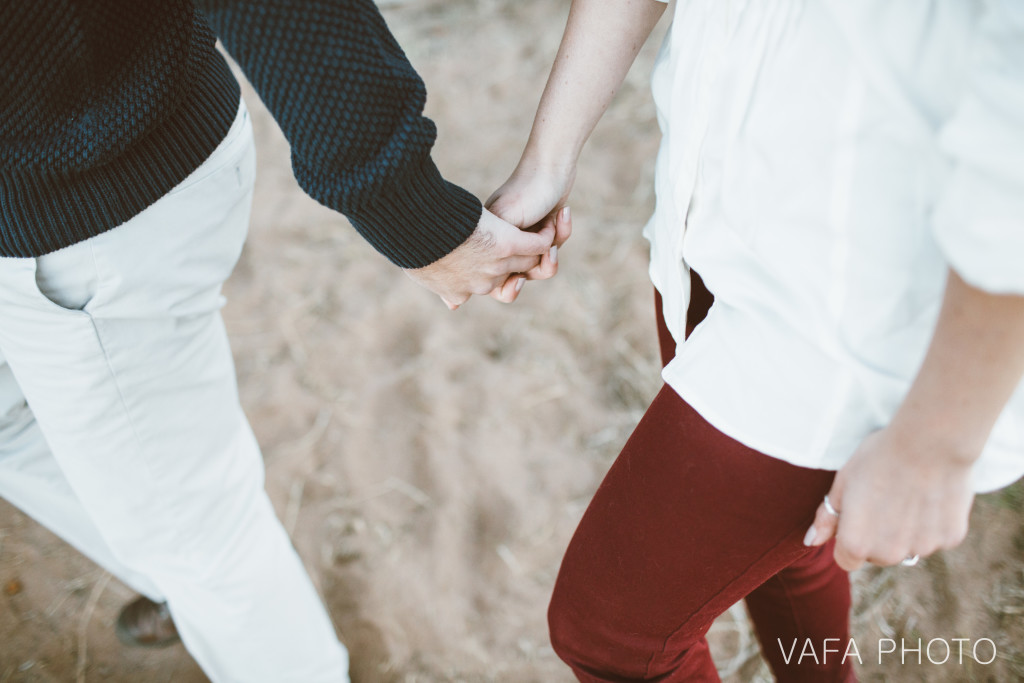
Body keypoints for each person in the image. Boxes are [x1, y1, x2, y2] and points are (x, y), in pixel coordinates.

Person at [0, 1, 567, 681]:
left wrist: (411, 211)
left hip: (89, 197)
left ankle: (237, 606)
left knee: (203, 541)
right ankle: (198, 583)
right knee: (26, 433)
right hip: (56, 177)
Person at [487, 0, 1024, 680]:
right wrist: (547, 160)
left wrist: (935, 447)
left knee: (612, 635)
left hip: (849, 313)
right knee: (789, 556)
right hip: (707, 213)